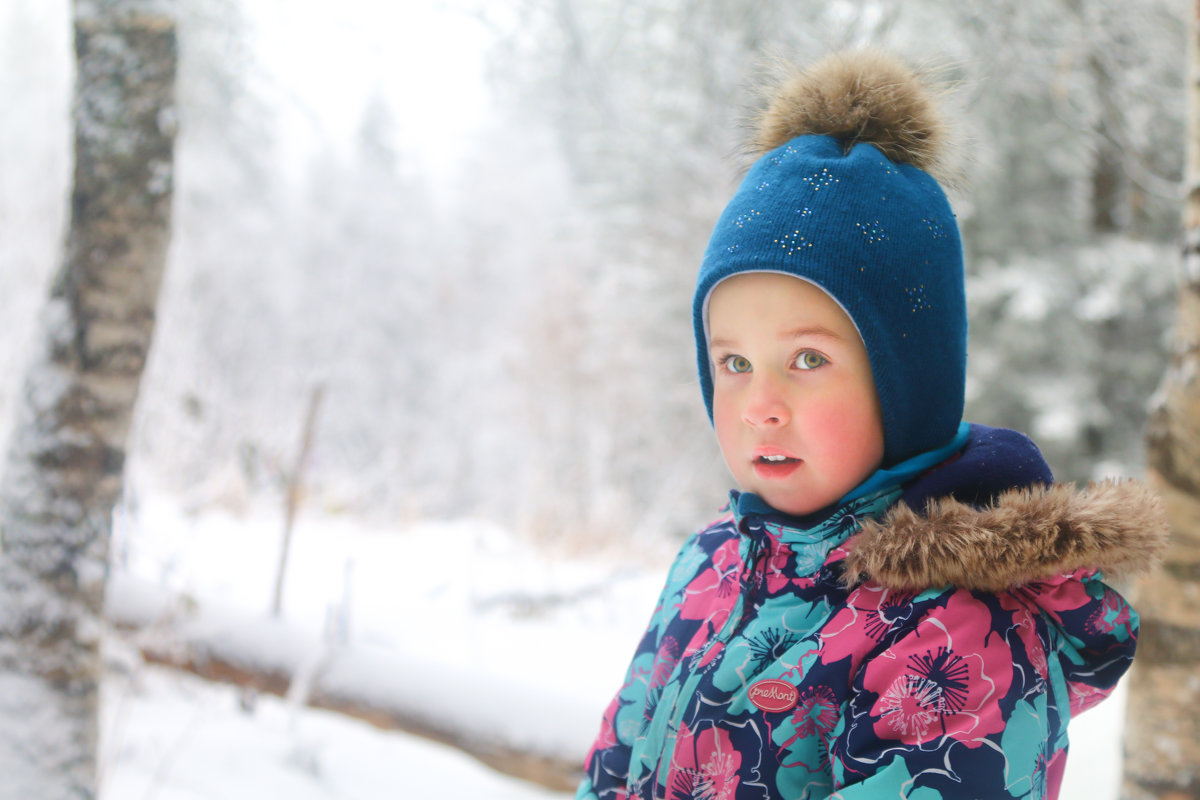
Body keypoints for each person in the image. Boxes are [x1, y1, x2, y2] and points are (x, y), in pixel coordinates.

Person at [575, 50, 1169, 800]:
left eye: (808, 360)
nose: (761, 403)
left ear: (906, 382)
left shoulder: (957, 633)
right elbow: (613, 766)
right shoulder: (711, 568)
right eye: (733, 363)